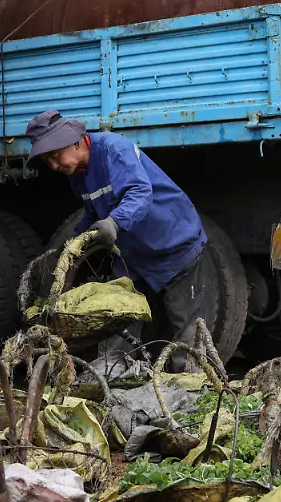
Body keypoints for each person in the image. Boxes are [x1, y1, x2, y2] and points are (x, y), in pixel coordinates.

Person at [25, 110, 216, 365]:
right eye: (48, 161)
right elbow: (93, 212)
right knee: (117, 317)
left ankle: (189, 388)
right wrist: (73, 243)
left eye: (54, 156)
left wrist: (114, 223)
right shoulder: (78, 176)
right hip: (133, 255)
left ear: (76, 141)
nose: (53, 166)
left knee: (188, 334)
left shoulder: (113, 149)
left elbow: (139, 192)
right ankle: (112, 376)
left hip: (173, 244)